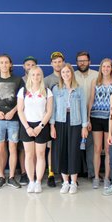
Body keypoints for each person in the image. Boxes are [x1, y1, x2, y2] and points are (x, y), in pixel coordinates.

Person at [50, 63, 89, 194]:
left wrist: (84, 126)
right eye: (63, 72)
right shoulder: (56, 89)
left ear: (72, 73)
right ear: (60, 74)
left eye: (68, 72)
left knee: (73, 151)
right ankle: (65, 182)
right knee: (61, 151)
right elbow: (53, 109)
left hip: (75, 122)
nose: (65, 74)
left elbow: (84, 108)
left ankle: (73, 182)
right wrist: (52, 125)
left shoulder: (79, 89)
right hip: (60, 122)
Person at [0, 54, 24, 189]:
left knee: (13, 148)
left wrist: (13, 111)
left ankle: (11, 177)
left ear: (10, 64)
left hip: (14, 119)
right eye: (1, 63)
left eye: (6, 62)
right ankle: (1, 176)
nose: (4, 65)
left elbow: (22, 100)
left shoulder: (18, 80)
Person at [17, 66, 53, 193]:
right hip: (27, 126)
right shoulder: (23, 91)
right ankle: (31, 181)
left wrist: (40, 126)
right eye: (33, 75)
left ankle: (38, 182)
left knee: (41, 154)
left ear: (41, 76)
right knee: (29, 155)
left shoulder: (47, 92)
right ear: (29, 76)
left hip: (41, 126)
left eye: (38, 75)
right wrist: (27, 127)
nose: (36, 77)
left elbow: (49, 112)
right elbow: (20, 110)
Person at [88, 58, 112, 189]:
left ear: (111, 68)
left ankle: (106, 178)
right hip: (96, 117)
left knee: (109, 150)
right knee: (97, 149)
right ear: (101, 68)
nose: (106, 69)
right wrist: (88, 118)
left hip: (110, 119)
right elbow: (91, 99)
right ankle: (96, 177)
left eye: (108, 67)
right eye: (103, 66)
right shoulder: (96, 81)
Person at [74, 51, 98, 181]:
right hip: (75, 115)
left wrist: (88, 118)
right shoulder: (72, 74)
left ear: (89, 61)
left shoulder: (96, 75)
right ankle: (75, 172)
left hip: (93, 114)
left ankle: (92, 172)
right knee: (75, 145)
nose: (82, 63)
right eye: (79, 61)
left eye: (84, 60)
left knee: (91, 145)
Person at [44, 51, 65, 187]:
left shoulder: (68, 76)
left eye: (60, 61)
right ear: (51, 63)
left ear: (63, 62)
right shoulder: (47, 80)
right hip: (52, 118)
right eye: (55, 62)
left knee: (64, 147)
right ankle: (51, 173)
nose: (57, 64)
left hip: (65, 118)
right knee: (52, 147)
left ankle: (64, 172)